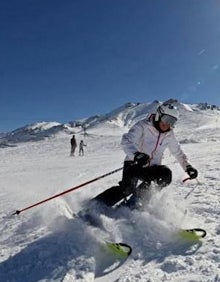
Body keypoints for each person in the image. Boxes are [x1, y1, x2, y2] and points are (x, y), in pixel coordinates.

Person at [92, 101, 198, 209]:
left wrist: (188, 167)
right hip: (135, 163)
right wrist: (136, 155)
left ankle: (132, 206)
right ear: (159, 115)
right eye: (166, 119)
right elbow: (126, 140)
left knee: (165, 175)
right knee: (127, 188)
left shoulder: (169, 134)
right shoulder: (143, 125)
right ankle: (95, 205)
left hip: (151, 167)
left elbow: (178, 152)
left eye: (172, 121)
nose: (167, 124)